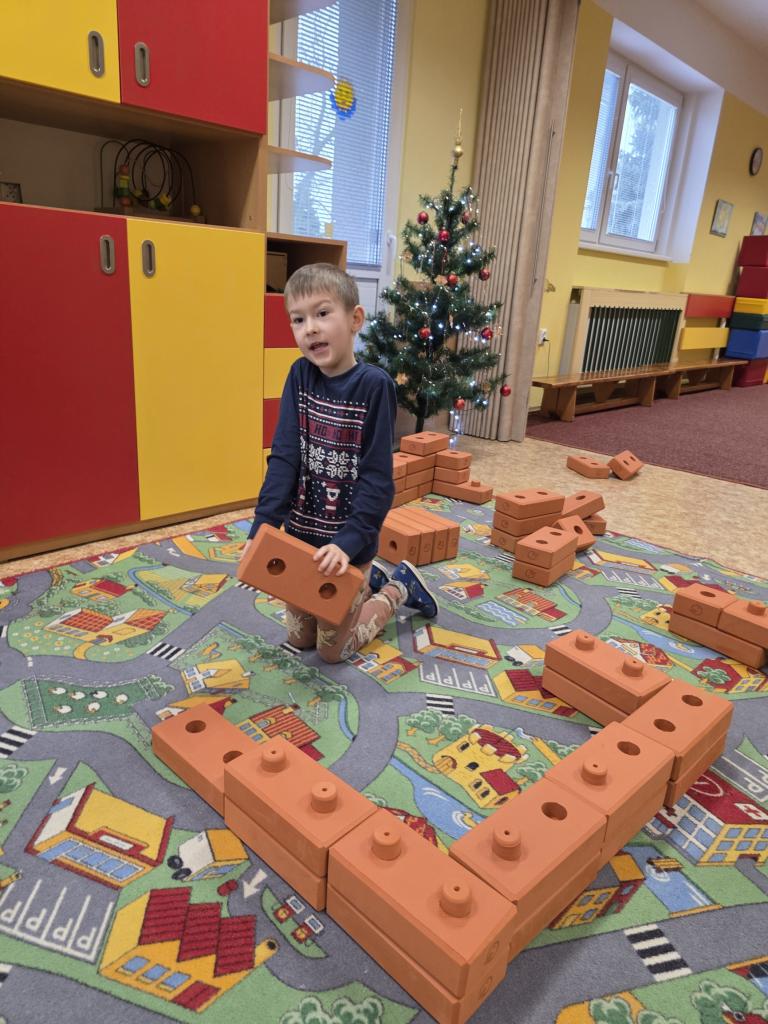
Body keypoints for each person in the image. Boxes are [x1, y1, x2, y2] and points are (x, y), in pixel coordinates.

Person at [242, 263, 437, 663]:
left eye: (322, 313)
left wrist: (349, 543)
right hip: (302, 539)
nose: (310, 329)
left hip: (350, 544)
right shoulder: (299, 375)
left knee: (334, 652)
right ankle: (369, 583)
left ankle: (397, 587)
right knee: (300, 640)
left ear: (355, 319)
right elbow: (284, 457)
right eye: (298, 319)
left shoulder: (374, 386)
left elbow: (377, 480)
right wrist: (262, 527)